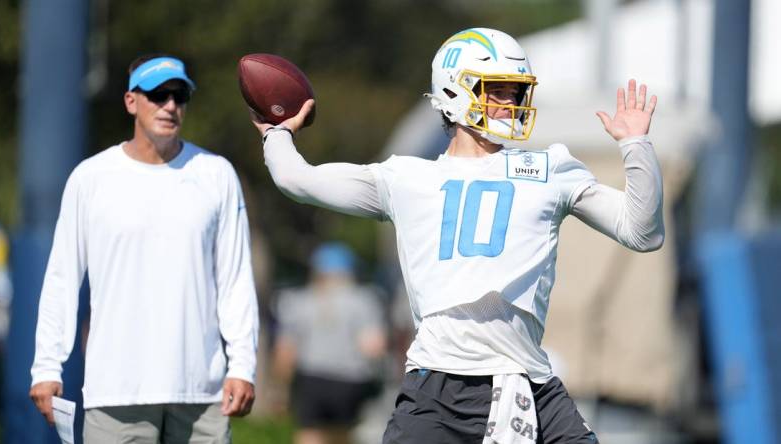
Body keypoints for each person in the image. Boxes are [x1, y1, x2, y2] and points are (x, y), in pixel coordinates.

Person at [252, 27, 663, 444]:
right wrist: (277, 131)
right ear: (455, 91)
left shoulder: (550, 168)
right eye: (496, 89)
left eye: (515, 92)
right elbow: (296, 179)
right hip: (439, 387)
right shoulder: (407, 178)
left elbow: (641, 232)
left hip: (527, 382)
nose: (509, 103)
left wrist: (636, 145)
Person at [29, 54, 259, 443]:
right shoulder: (91, 178)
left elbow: (235, 279)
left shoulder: (216, 174)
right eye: (158, 94)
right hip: (117, 391)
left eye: (179, 95)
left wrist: (244, 365)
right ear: (131, 101)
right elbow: (63, 278)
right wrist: (47, 367)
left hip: (200, 395)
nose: (170, 105)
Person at [272, 242, 386, 444]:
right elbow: (373, 347)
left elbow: (286, 350)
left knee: (308, 434)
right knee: (343, 435)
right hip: (351, 380)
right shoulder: (363, 299)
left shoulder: (299, 300)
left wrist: (281, 389)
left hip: (310, 378)